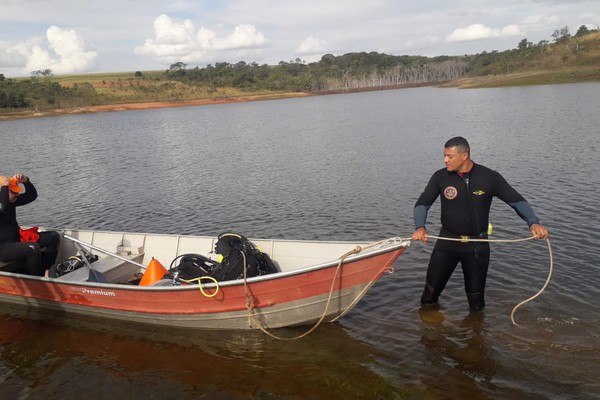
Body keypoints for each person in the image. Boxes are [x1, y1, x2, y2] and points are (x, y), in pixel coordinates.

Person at [411, 137, 548, 311]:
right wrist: (420, 227)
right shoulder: (440, 177)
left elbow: (516, 201)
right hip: (447, 243)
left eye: (450, 156)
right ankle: (430, 332)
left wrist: (533, 223)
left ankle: (476, 335)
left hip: (477, 246)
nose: (445, 160)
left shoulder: (489, 177)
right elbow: (422, 204)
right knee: (428, 297)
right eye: (444, 155)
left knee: (476, 304)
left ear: (464, 155)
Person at [0, 174, 60, 276]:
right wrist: (4, 187)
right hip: (3, 248)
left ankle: (48, 272)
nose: (18, 194)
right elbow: (2, 207)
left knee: (53, 237)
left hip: (17, 240)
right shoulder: (3, 203)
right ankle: (37, 279)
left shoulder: (11, 201)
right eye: (14, 192)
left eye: (18, 191)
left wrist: (26, 181)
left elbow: (32, 196)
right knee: (33, 248)